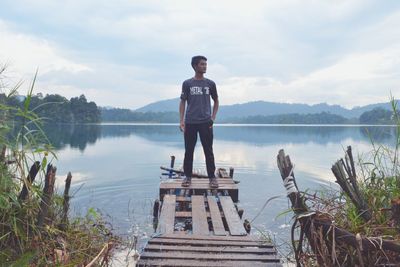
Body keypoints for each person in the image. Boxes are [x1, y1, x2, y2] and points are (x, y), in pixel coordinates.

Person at [179, 55, 219, 188]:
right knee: (188, 150)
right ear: (195, 66)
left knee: (208, 150)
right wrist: (181, 121)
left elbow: (216, 101)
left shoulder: (210, 84)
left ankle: (212, 177)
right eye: (202, 64)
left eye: (205, 64)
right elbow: (183, 102)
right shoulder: (187, 84)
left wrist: (212, 118)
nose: (205, 66)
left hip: (206, 122)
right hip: (190, 122)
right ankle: (187, 177)